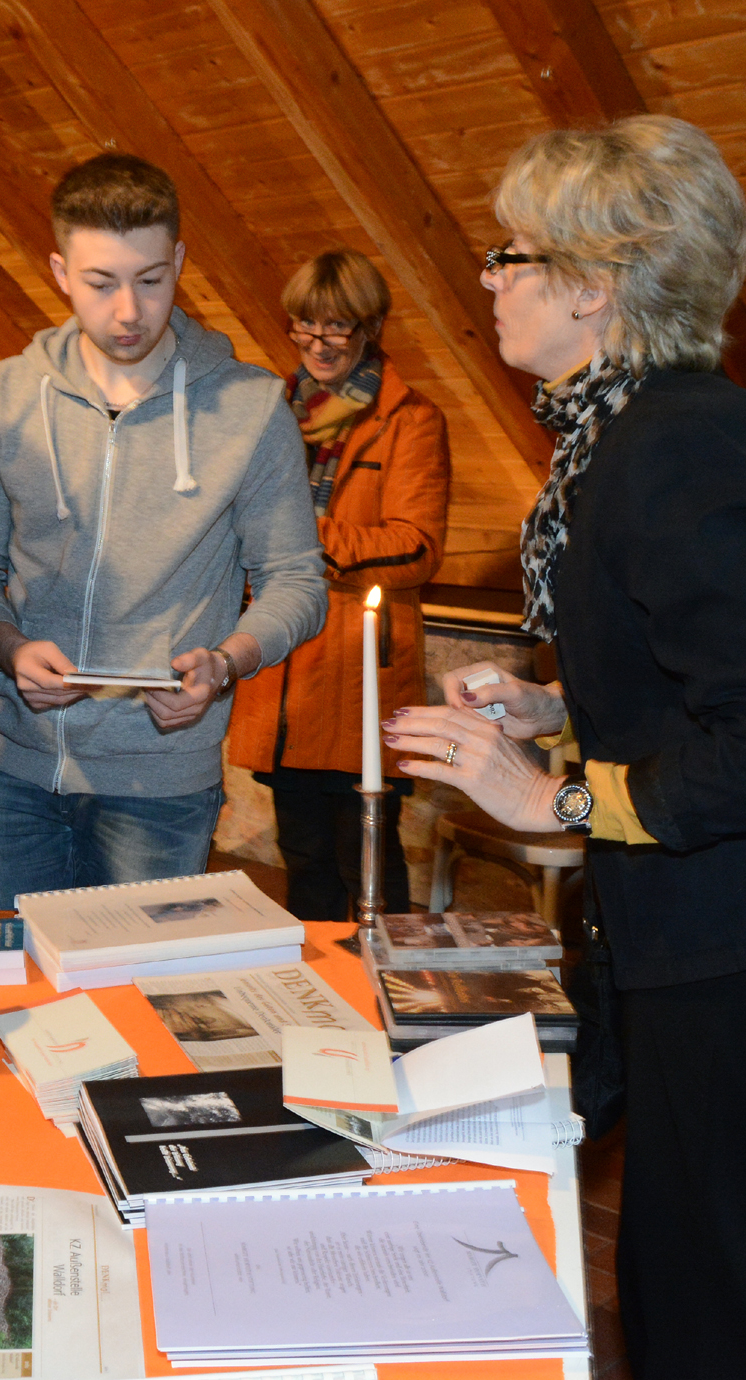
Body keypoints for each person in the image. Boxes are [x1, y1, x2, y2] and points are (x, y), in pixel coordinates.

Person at [383, 115, 746, 1380]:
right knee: (676, 1240)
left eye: (512, 255)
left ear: (594, 284)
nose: (489, 280)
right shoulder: (649, 432)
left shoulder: (668, 458)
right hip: (743, 906)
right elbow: (690, 672)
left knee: (700, 1279)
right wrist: (551, 705)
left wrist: (552, 795)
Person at [0, 153, 327, 908]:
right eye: (100, 282)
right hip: (16, 772)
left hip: (162, 783)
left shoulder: (249, 407)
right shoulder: (5, 396)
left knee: (140, 1013)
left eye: (150, 280)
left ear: (179, 260)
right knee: (0, 1008)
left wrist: (225, 661)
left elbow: (297, 581)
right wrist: (7, 647)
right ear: (58, 270)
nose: (128, 312)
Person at [225, 250, 450, 920]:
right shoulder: (270, 411)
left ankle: (399, 1002)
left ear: (372, 326)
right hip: (285, 670)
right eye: (304, 326)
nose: (317, 344)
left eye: (337, 328)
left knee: (371, 867)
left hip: (357, 673)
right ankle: (321, 1008)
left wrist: (305, 536)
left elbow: (416, 546)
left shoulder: (411, 419)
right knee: (305, 865)